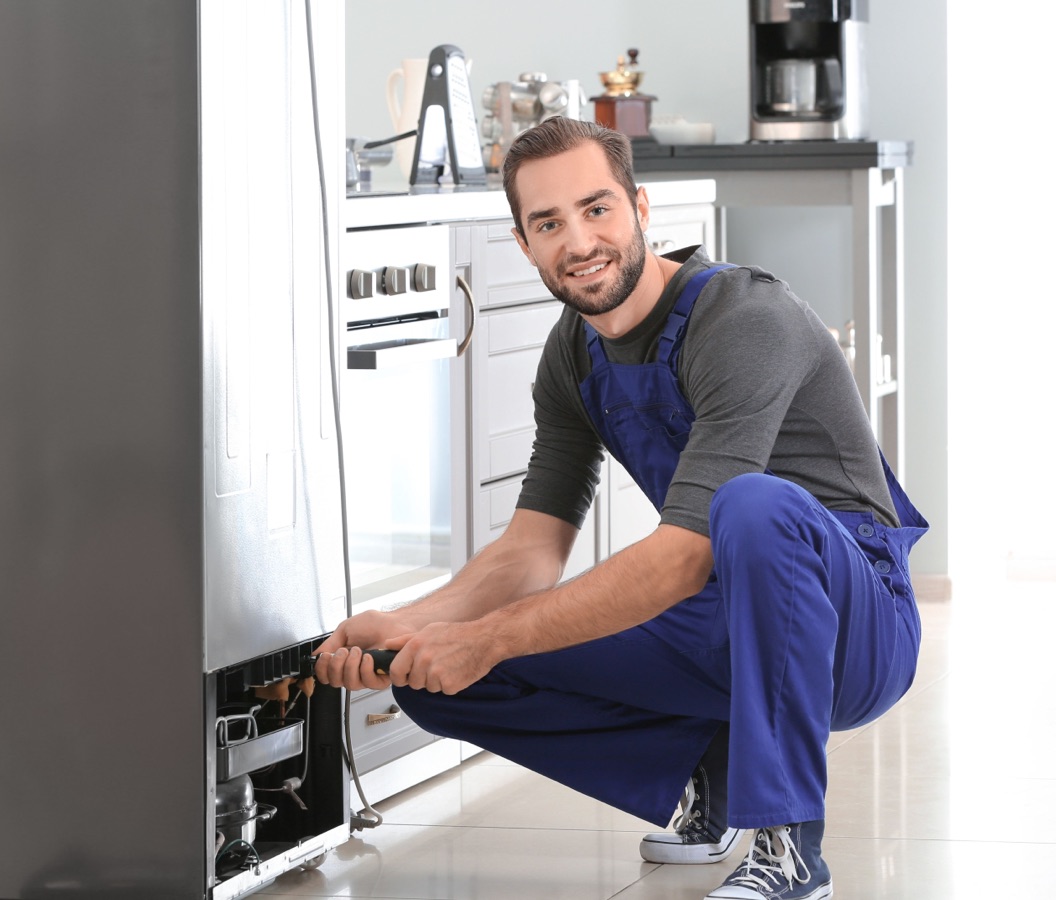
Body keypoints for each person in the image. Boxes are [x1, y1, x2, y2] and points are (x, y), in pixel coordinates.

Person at [314, 116, 927, 900]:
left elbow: (681, 556)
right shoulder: (572, 356)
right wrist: (411, 626)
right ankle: (712, 770)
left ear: (640, 208)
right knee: (435, 675)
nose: (578, 241)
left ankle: (789, 849)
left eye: (596, 208)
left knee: (753, 507)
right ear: (524, 242)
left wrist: (484, 636)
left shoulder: (744, 320)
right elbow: (531, 552)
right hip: (721, 623)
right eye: (549, 223)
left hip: (858, 628)